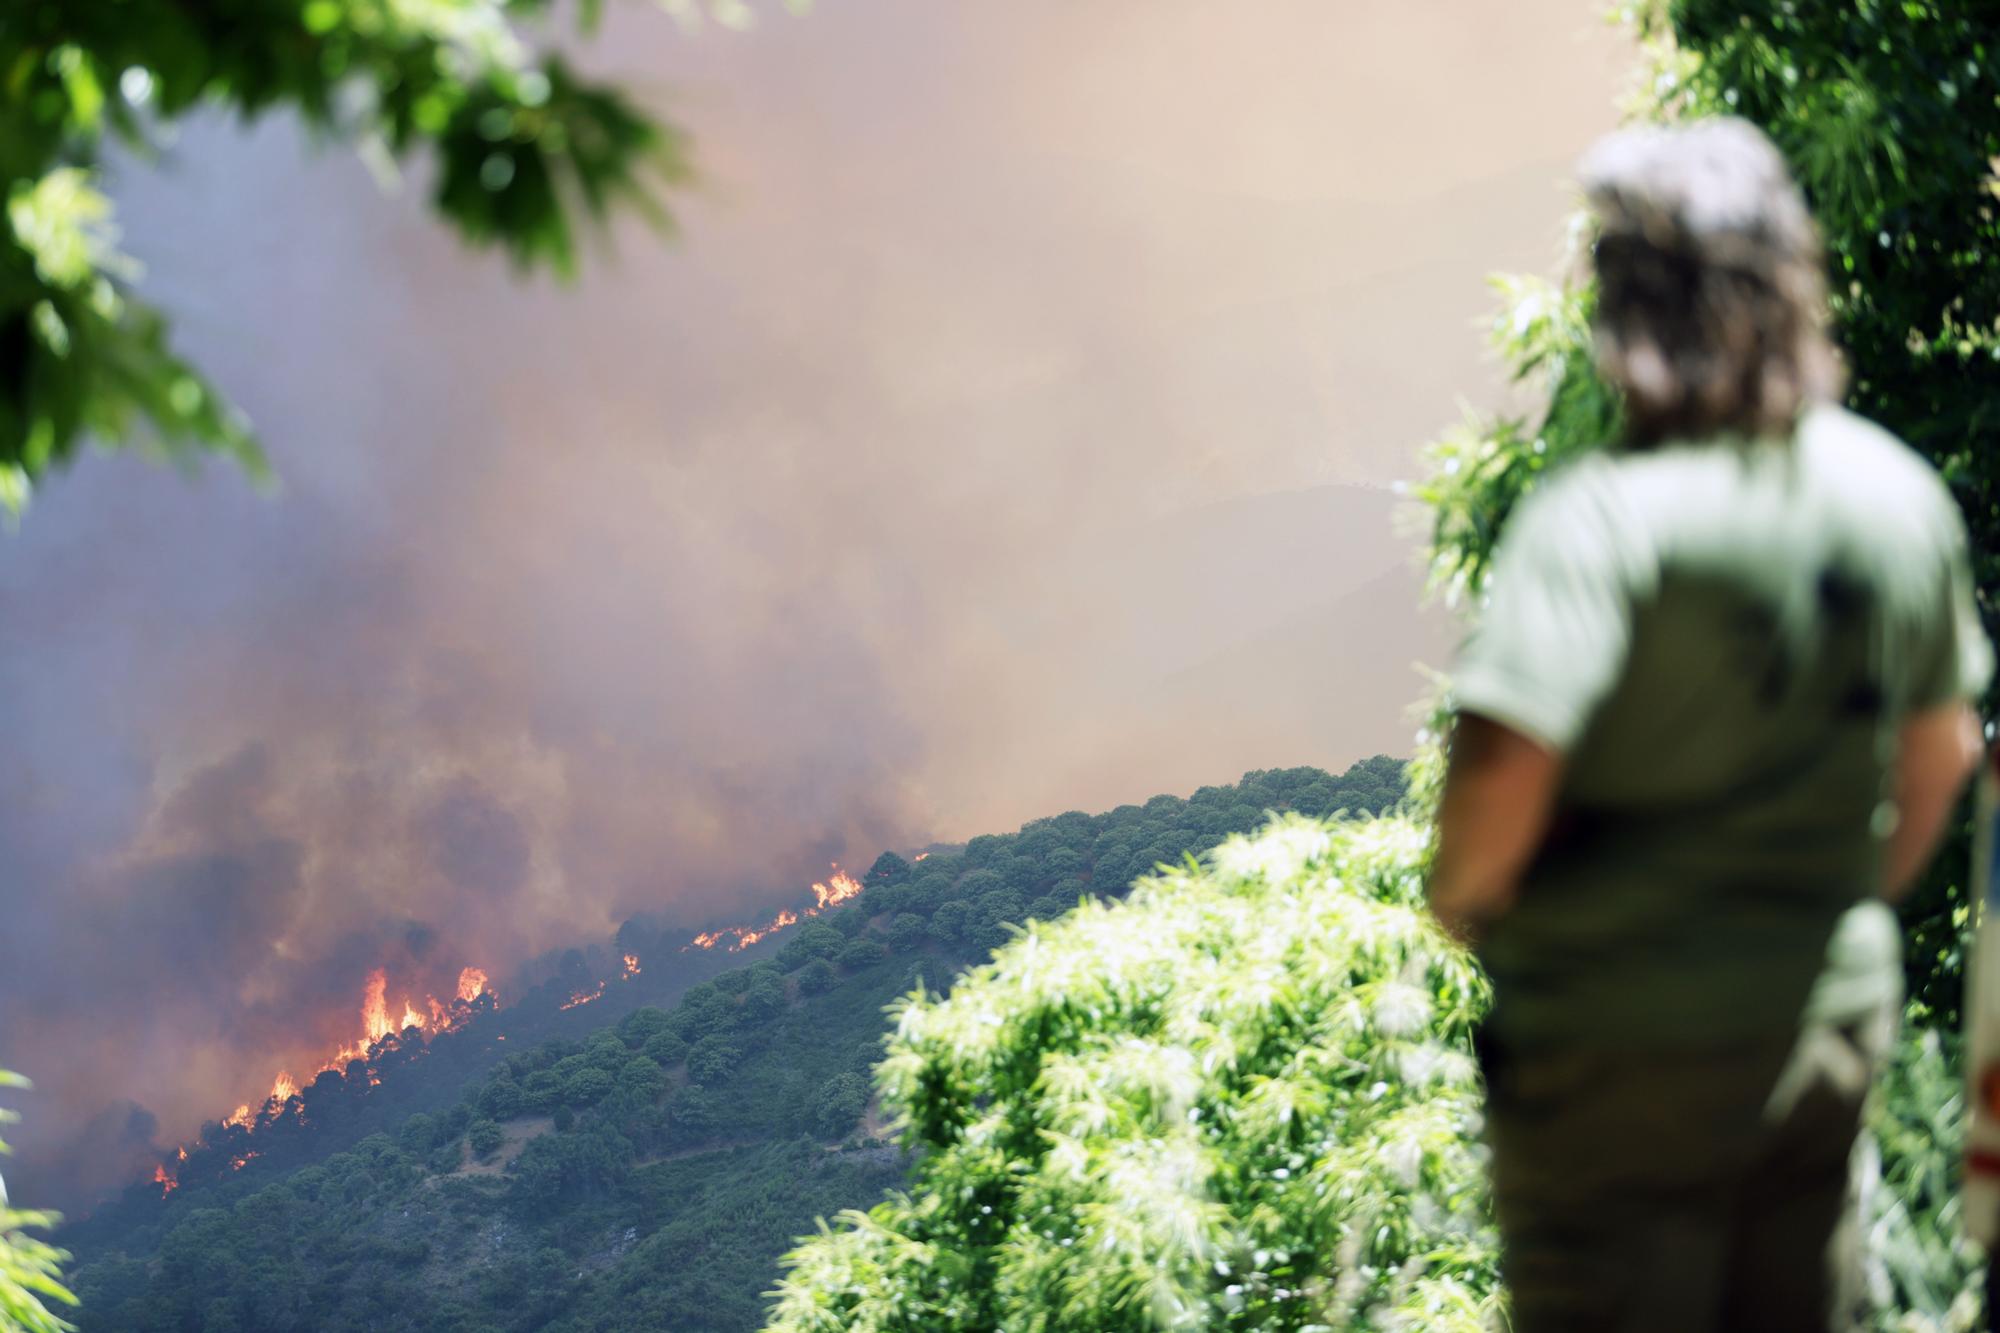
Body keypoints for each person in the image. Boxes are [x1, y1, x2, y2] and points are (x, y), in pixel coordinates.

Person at [1427, 118, 1991, 1332]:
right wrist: (1836, 909)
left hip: (1614, 1058)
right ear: (1790, 280)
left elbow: (1499, 779)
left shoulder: (1598, 522)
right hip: (1822, 1033)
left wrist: (1465, 905)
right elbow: (1943, 755)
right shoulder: (1894, 494)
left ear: (1622, 306)